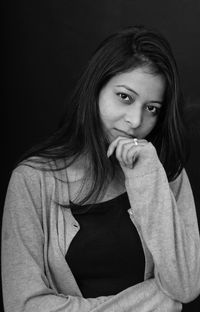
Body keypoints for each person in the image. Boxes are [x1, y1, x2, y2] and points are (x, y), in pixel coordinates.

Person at [1, 25, 200, 312]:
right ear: (95, 89)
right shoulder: (32, 180)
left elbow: (185, 286)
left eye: (152, 108)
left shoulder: (166, 173)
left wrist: (147, 178)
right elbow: (24, 305)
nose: (135, 120)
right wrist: (158, 301)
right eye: (125, 97)